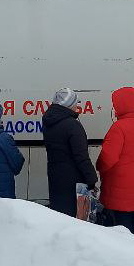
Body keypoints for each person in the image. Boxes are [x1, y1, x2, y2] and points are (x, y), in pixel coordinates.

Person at [95, 87, 134, 236]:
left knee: (122, 231)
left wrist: (99, 167)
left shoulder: (118, 127)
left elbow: (107, 159)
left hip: (120, 188)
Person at [42, 87, 98, 216]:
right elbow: (81, 156)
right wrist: (91, 179)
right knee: (74, 216)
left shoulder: (48, 122)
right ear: (69, 105)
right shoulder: (72, 125)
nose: (77, 106)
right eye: (75, 103)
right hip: (73, 180)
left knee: (60, 214)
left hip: (55, 175)